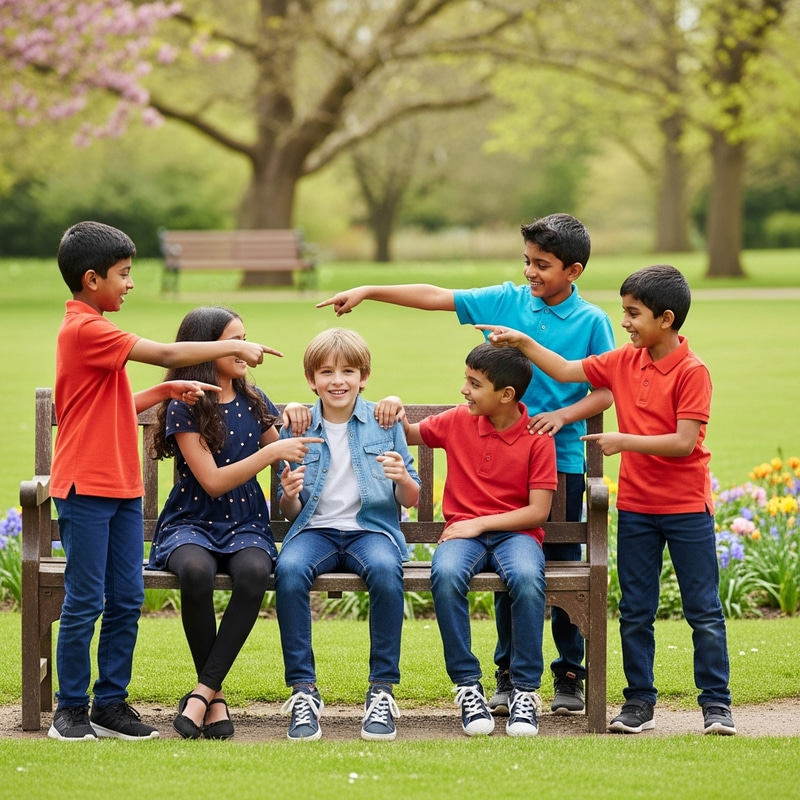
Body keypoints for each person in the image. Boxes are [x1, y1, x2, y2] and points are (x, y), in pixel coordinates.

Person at [317, 213, 615, 716]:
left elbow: (606, 390)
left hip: (555, 460)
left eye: (542, 265)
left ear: (574, 270)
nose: (530, 273)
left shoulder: (592, 322)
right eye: (527, 261)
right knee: (506, 577)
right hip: (490, 453)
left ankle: (568, 674)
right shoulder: (507, 300)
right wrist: (369, 289)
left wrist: (560, 416)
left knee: (558, 570)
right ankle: (505, 673)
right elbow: (436, 295)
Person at [478, 263, 736, 735]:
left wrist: (625, 440)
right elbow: (565, 368)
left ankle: (716, 705)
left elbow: (684, 442)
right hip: (636, 508)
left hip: (686, 510)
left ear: (667, 319)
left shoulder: (693, 372)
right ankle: (638, 703)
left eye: (634, 314)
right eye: (623, 311)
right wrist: (522, 342)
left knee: (703, 609)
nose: (625, 322)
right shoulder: (623, 361)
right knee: (636, 609)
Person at [49, 222, 278, 742]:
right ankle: (70, 709)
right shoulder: (86, 329)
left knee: (126, 599)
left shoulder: (95, 330)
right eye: (124, 275)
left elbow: (105, 409)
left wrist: (162, 393)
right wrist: (244, 348)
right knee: (86, 600)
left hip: (124, 487)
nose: (129, 284)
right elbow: (168, 351)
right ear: (92, 279)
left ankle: (109, 705)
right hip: (85, 486)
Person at [147, 307, 321, 740]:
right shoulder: (185, 404)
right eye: (236, 340)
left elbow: (285, 447)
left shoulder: (254, 400)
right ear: (209, 347)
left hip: (246, 522)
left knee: (255, 573)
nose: (247, 348)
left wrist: (296, 414)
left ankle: (203, 692)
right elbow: (211, 481)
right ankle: (216, 696)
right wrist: (270, 456)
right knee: (195, 571)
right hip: (192, 519)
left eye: (247, 337)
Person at [396, 343, 557, 736]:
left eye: (474, 383)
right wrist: (393, 405)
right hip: (462, 535)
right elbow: (411, 433)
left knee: (526, 579)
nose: (464, 390)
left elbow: (538, 512)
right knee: (447, 574)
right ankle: (468, 686)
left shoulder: (537, 438)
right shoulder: (457, 420)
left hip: (515, 534)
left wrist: (480, 523)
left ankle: (524, 691)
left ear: (506, 395)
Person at [274, 328, 420, 742]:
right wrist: (288, 495)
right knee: (288, 570)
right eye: (326, 372)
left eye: (348, 371)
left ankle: (381, 691)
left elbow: (411, 492)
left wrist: (400, 480)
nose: (337, 380)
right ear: (311, 379)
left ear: (364, 376)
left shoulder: (383, 420)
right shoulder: (298, 423)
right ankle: (303, 693)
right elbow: (290, 512)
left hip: (370, 529)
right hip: (314, 531)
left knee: (387, 569)